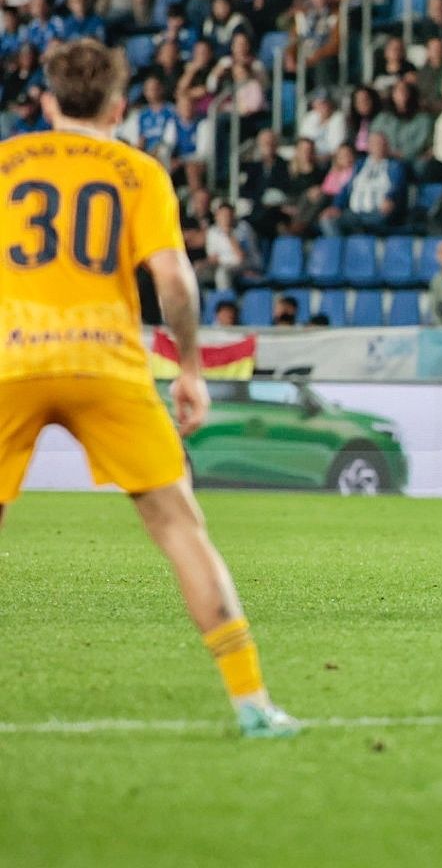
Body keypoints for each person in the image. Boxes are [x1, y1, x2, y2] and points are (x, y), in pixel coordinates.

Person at [0, 40, 297, 736]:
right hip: (106, 361)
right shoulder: (137, 171)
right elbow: (172, 280)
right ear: (119, 106)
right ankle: (252, 702)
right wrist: (191, 368)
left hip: (11, 360)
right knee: (178, 527)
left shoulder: (6, 164)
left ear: (45, 101)